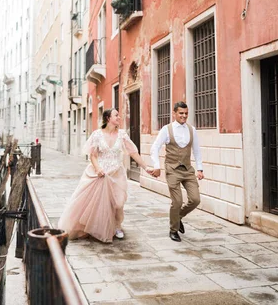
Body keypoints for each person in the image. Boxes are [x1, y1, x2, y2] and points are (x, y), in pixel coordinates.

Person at [58, 108, 153, 242]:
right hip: (100, 173)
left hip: (116, 173)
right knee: (100, 203)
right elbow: (93, 155)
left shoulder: (122, 135)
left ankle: (117, 226)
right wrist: (98, 169)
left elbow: (133, 153)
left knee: (118, 203)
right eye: (116, 115)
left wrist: (145, 167)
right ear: (108, 118)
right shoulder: (97, 135)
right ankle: (103, 227)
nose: (119, 118)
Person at [149, 101, 204, 242]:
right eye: (181, 113)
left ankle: (178, 217)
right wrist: (157, 165)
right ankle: (173, 230)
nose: (184, 116)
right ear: (174, 114)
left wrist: (200, 168)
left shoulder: (192, 130)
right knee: (177, 202)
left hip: (187, 170)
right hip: (172, 169)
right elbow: (154, 148)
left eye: (186, 113)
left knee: (195, 199)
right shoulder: (166, 130)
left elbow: (197, 151)